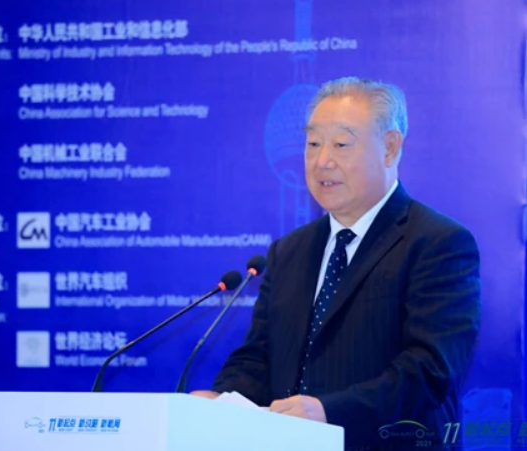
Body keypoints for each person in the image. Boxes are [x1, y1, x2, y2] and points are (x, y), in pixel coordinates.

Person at [192, 77, 481, 451]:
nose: (322, 161)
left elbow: (430, 370)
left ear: (390, 148)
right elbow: (259, 356)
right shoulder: (288, 251)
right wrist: (223, 399)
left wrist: (330, 412)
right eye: (313, 144)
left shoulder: (438, 243)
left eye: (341, 144)